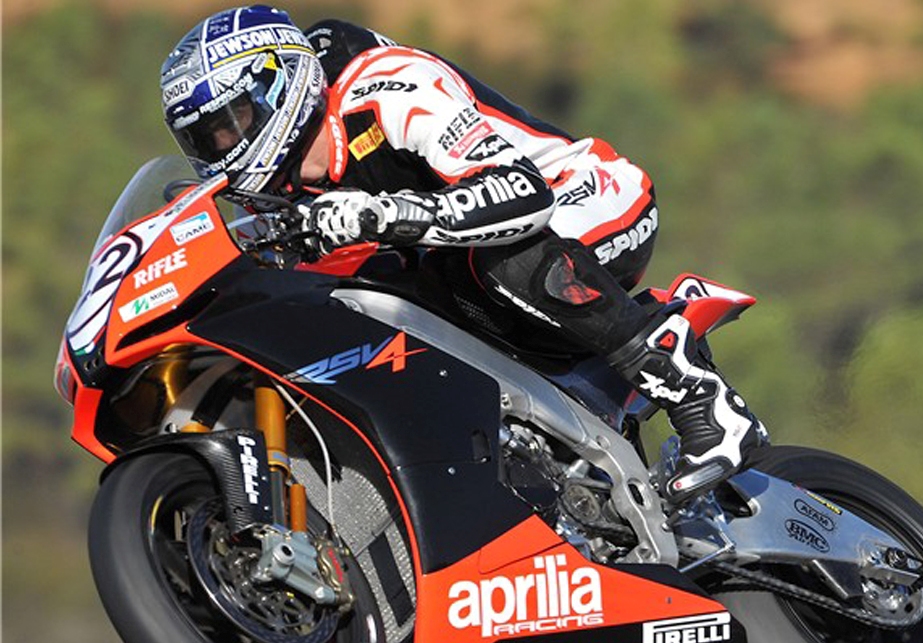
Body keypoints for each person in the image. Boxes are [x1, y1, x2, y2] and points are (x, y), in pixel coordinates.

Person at [160, 5, 763, 502]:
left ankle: (693, 387)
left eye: (230, 122)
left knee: (488, 253)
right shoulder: (284, 203)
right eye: (203, 139)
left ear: (279, 84)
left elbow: (522, 194)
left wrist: (385, 213)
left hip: (587, 197)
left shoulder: (386, 86)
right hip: (471, 267)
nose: (222, 146)